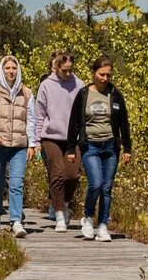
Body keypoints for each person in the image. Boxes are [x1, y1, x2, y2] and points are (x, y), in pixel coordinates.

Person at [67, 56, 132, 242]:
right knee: (95, 184)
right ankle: (87, 217)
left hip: (111, 146)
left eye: (108, 75)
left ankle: (103, 225)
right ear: (93, 73)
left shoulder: (115, 94)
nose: (105, 78)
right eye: (101, 74)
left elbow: (123, 123)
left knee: (107, 187)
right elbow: (74, 123)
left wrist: (127, 148)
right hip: (90, 146)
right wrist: (71, 148)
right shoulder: (83, 94)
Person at [0, 56, 36, 237]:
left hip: (19, 146)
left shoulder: (27, 93)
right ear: (2, 70)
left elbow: (31, 120)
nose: (11, 71)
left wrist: (32, 144)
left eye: (14, 67)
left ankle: (16, 221)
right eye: (7, 68)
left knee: (16, 183)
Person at [34, 51, 84, 233]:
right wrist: (36, 140)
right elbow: (39, 114)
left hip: (73, 138)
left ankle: (65, 203)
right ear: (56, 67)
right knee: (57, 174)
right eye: (64, 71)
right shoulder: (46, 85)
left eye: (70, 70)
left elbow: (83, 114)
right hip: (50, 137)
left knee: (72, 175)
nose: (67, 74)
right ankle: (59, 215)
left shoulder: (79, 85)